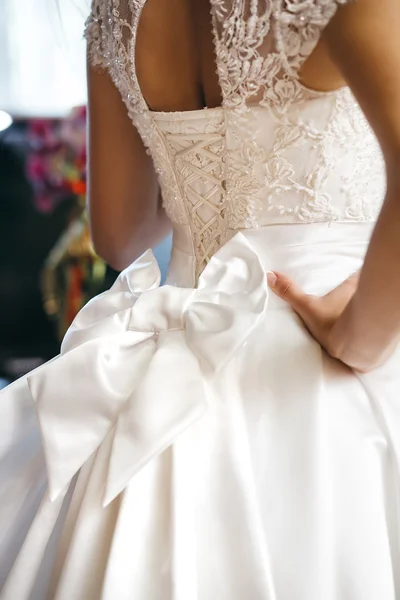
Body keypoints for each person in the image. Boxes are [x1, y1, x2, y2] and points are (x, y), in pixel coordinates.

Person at [1, 0, 400, 598]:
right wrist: (361, 336)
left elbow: (119, 233)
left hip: (164, 371)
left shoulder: (115, 14)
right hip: (334, 360)